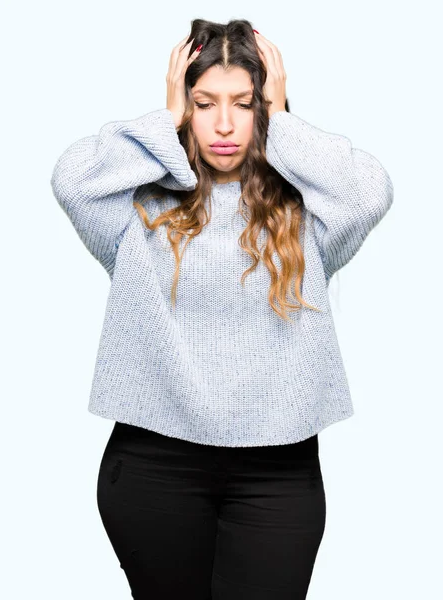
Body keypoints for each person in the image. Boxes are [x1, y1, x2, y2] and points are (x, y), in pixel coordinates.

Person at [50, 18, 394, 600]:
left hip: (278, 473)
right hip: (154, 466)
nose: (227, 124)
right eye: (205, 103)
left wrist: (283, 125)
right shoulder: (139, 209)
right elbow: (72, 179)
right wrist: (165, 120)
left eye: (245, 103)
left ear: (267, 105)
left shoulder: (308, 215)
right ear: (185, 106)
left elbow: (372, 192)